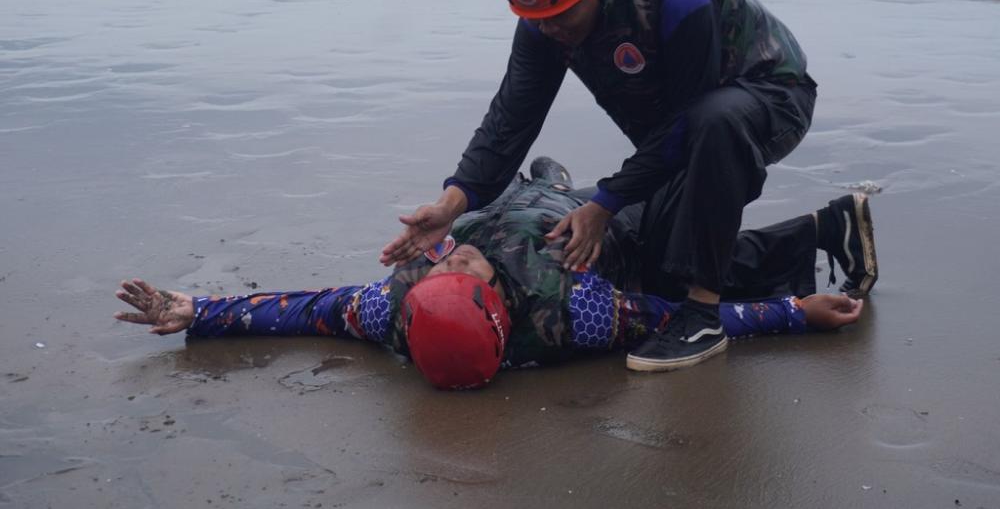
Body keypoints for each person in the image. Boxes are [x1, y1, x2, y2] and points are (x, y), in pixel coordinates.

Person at [379, 0, 861, 372]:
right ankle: (824, 233)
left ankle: (703, 315)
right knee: (659, 266)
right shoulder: (547, 18)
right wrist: (454, 201)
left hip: (766, 99)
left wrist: (604, 203)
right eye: (537, 21)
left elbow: (686, 125)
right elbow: (510, 120)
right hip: (679, 127)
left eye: (561, 18)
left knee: (713, 128)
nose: (550, 32)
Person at [115, 158, 873, 389]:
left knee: (522, 187)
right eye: (465, 266)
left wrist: (202, 310)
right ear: (495, 309)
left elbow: (307, 307)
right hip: (577, 225)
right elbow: (687, 321)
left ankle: (544, 169)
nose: (457, 257)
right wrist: (795, 313)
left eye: (453, 262)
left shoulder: (393, 310)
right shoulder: (575, 313)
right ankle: (814, 234)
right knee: (684, 268)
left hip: (517, 198)